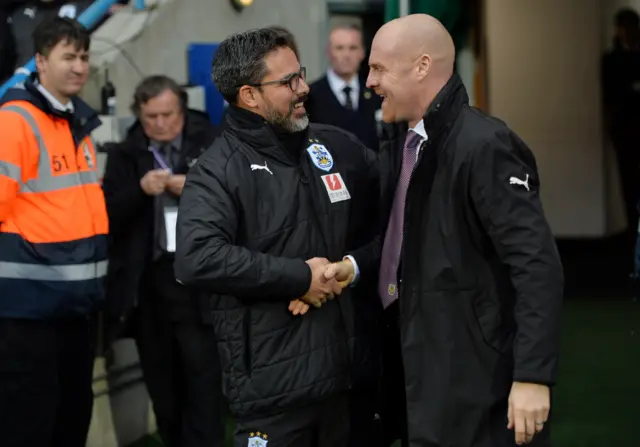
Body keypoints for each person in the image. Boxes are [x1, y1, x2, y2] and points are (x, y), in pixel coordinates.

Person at [326, 14, 564, 447]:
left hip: (475, 385)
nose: (369, 82)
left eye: (379, 68)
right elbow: (407, 242)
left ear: (420, 66)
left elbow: (536, 266)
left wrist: (532, 376)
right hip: (419, 375)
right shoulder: (406, 144)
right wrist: (354, 267)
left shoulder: (484, 144)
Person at [174, 28, 380, 447]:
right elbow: (196, 257)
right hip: (274, 394)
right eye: (288, 82)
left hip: (350, 381)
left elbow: (396, 222)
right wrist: (298, 278)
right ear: (249, 95)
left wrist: (350, 268)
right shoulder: (217, 170)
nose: (303, 88)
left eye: (300, 74)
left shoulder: (336, 145)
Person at [102, 75, 226, 447]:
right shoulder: (126, 153)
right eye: (149, 116)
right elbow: (106, 215)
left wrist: (195, 186)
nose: (158, 124)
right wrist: (140, 190)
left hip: (199, 289)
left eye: (166, 115)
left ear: (182, 111)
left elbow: (239, 202)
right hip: (149, 289)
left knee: (202, 388)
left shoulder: (212, 142)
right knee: (164, 392)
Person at [0, 17, 107, 446]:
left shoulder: (73, 121)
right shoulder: (16, 121)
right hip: (27, 310)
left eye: (84, 56)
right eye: (68, 57)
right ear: (40, 62)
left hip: (74, 305)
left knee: (71, 418)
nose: (79, 66)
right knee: (30, 424)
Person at [306, 23, 381, 151]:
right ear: (329, 52)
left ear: (362, 52)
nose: (346, 55)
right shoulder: (310, 96)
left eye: (353, 48)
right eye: (339, 48)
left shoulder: (377, 92)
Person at [602, 8, 640, 251]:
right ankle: (632, 237)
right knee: (628, 185)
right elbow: (612, 95)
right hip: (625, 130)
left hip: (630, 125)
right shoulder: (611, 59)